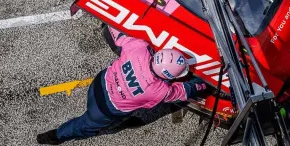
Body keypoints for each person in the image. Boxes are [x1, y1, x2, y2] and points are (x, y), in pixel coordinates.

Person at [36, 28, 211, 144]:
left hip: (99, 83)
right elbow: (186, 91)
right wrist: (208, 83)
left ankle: (52, 137)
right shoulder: (159, 91)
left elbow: (117, 31)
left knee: (84, 123)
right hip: (105, 110)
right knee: (85, 127)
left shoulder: (139, 48)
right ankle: (54, 137)